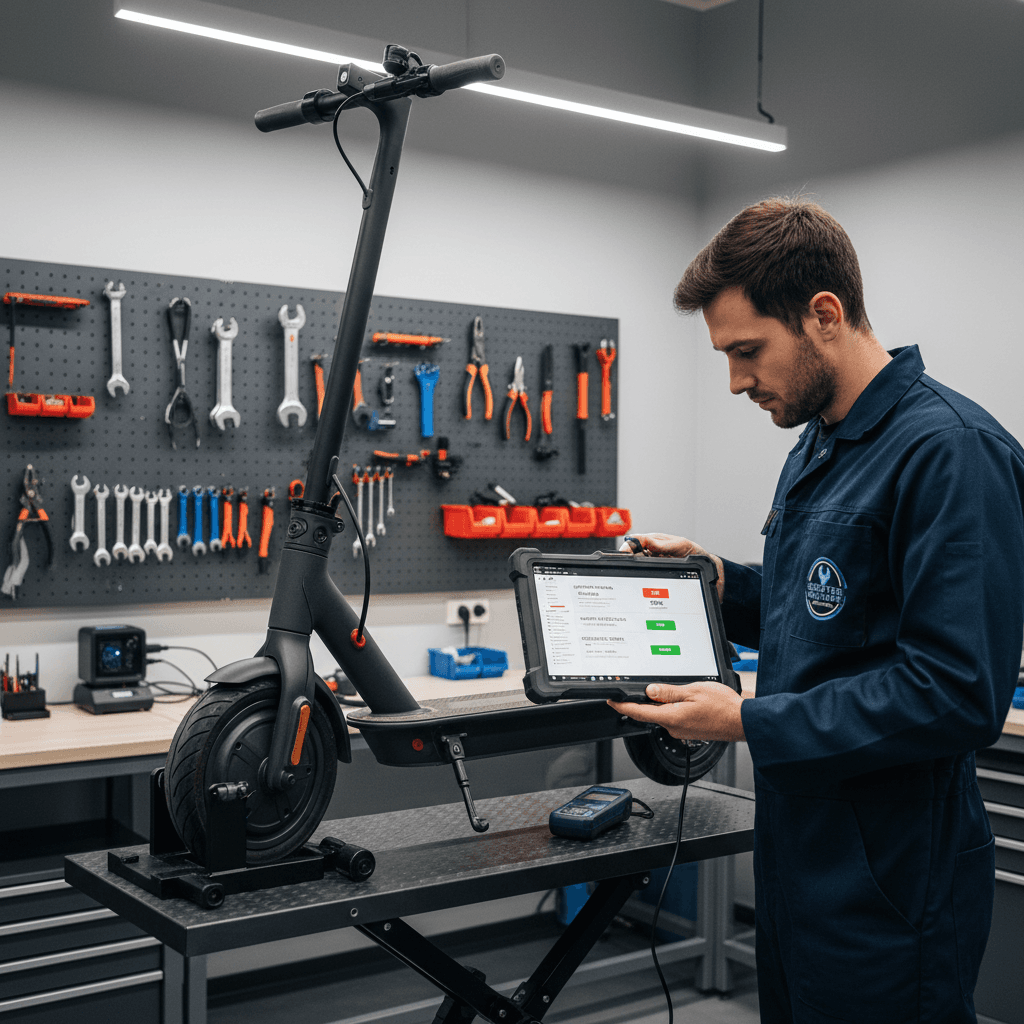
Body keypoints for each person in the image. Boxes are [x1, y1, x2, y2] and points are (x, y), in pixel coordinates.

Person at [611, 198, 1024, 1024]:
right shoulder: (821, 442)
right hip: (800, 858)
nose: (737, 381)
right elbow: (824, 610)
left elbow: (956, 692)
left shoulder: (952, 452)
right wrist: (720, 582)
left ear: (823, 315)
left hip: (893, 880)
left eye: (747, 351)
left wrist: (748, 719)